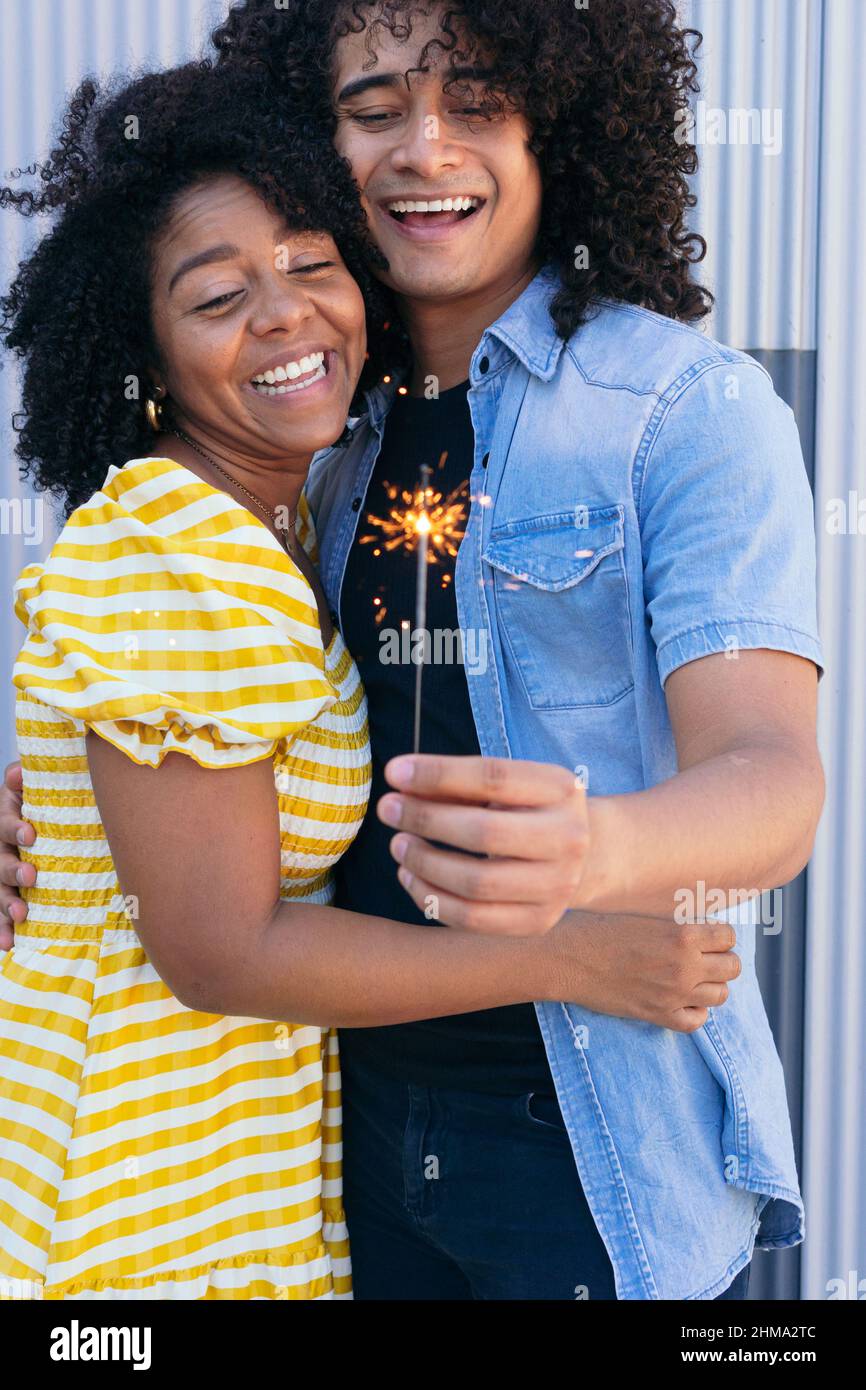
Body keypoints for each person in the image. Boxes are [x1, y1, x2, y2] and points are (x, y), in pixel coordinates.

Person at [1, 0, 823, 1300]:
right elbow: (197, 746)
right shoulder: (316, 429)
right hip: (338, 1138)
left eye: (478, 102)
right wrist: (74, 824)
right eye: (374, 109)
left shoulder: (684, 408)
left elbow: (775, 777)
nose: (424, 148)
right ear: (317, 151)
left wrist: (600, 852)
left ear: (564, 125)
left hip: (589, 1131)